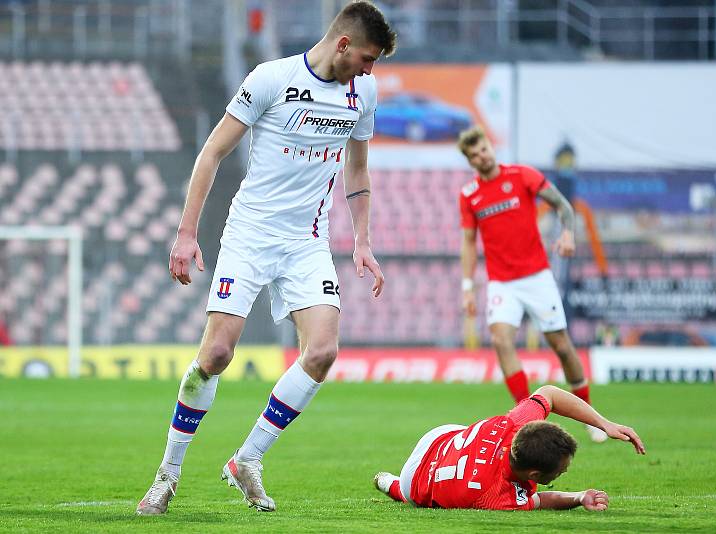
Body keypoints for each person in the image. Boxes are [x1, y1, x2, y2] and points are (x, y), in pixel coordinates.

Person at [137, 1, 396, 515]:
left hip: (308, 242)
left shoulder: (363, 92)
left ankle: (247, 459)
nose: (371, 70)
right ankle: (167, 473)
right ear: (343, 44)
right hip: (250, 235)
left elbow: (358, 170)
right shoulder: (271, 79)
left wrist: (362, 241)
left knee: (322, 352)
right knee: (215, 356)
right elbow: (212, 151)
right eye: (367, 58)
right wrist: (186, 234)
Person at [456, 126, 607, 443]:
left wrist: (567, 233)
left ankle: (590, 415)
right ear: (470, 161)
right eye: (473, 154)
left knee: (562, 346)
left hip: (537, 277)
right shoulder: (469, 195)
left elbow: (564, 206)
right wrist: (468, 285)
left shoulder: (522, 175)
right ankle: (526, 419)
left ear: (489, 147)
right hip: (502, 283)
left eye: (482, 148)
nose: (480, 156)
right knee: (500, 341)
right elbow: (469, 242)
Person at [373, 384, 645, 510]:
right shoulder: (496, 497)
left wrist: (603, 424)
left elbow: (549, 392)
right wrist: (577, 497)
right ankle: (389, 484)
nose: (562, 474)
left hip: (441, 436)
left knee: (473, 434)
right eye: (559, 473)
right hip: (416, 477)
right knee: (411, 495)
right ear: (535, 475)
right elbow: (538, 500)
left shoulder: (516, 424)